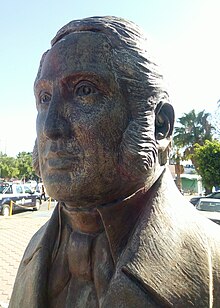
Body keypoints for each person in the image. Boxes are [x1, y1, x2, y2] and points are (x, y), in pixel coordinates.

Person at [9, 16, 220, 307]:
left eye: (85, 90)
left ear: (159, 126)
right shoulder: (34, 250)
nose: (51, 127)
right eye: (45, 98)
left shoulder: (213, 257)